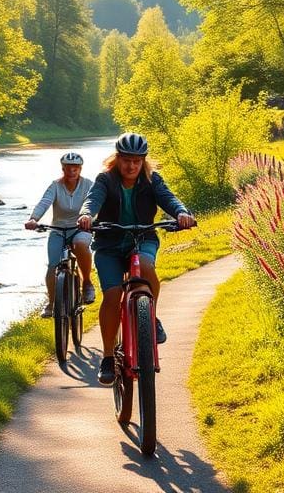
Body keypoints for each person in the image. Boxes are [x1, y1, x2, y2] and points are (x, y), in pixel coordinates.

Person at [77, 132, 195, 385]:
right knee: (112, 294)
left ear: (143, 162)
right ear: (117, 159)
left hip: (142, 239)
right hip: (109, 244)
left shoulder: (152, 180)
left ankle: (150, 317)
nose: (131, 166)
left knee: (144, 265)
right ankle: (108, 356)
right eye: (127, 160)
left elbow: (169, 199)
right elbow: (92, 200)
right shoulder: (105, 180)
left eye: (137, 161)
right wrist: (86, 215)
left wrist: (182, 212)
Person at [25, 151, 96, 317]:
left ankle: (86, 283)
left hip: (81, 228)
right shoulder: (55, 185)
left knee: (80, 245)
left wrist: (91, 219)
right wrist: (33, 219)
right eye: (68, 168)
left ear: (80, 169)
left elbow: (94, 204)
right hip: (58, 229)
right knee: (52, 265)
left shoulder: (88, 185)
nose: (72, 171)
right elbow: (44, 202)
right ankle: (51, 303)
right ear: (62, 168)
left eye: (76, 168)